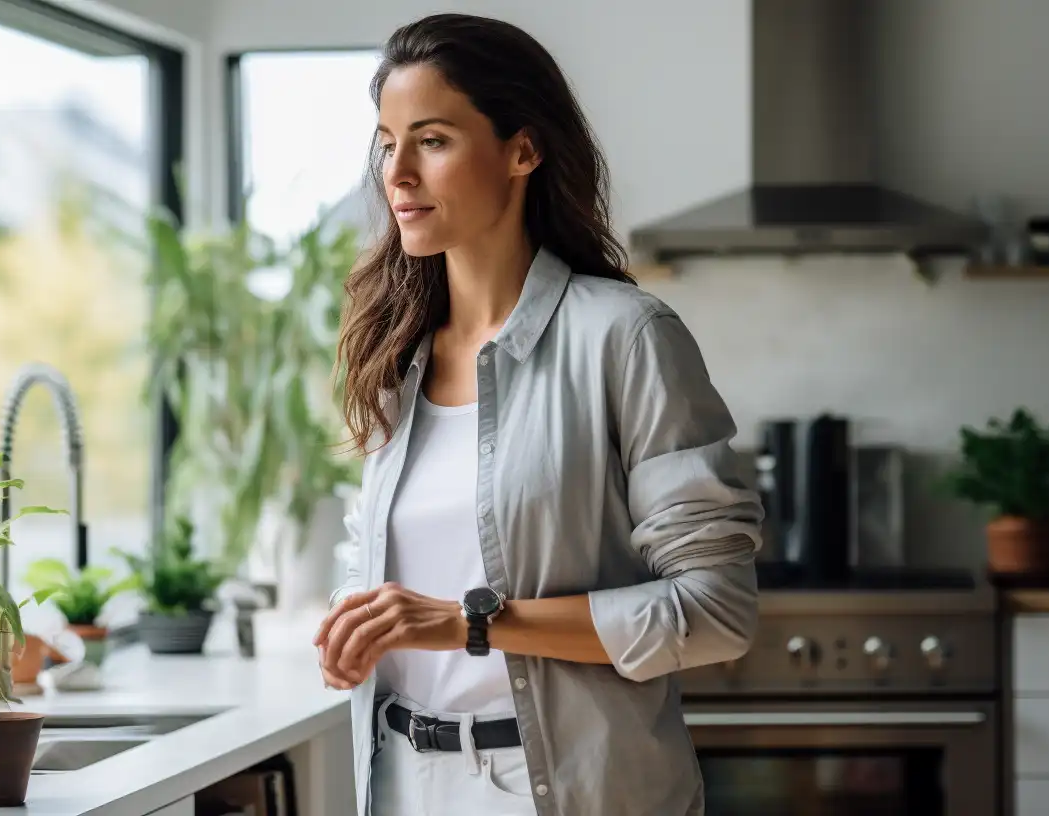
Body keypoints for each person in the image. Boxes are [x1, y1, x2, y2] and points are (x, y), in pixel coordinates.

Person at [311, 12, 764, 816]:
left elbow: (715, 613)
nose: (398, 173)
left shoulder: (624, 337)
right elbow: (382, 560)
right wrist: (358, 628)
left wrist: (471, 625)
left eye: (434, 140)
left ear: (522, 150)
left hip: (566, 793)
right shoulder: (396, 353)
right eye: (387, 143)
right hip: (405, 786)